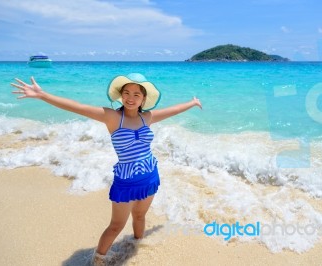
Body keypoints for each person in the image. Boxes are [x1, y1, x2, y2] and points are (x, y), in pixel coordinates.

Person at [11, 73, 202, 265]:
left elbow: (174, 110)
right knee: (116, 225)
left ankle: (137, 246)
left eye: (136, 94)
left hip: (150, 176)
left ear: (144, 99)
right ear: (120, 95)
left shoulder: (147, 117)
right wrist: (43, 95)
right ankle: (98, 260)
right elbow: (77, 107)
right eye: (126, 92)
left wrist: (192, 102)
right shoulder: (112, 117)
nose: (130, 97)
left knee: (140, 216)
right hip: (125, 182)